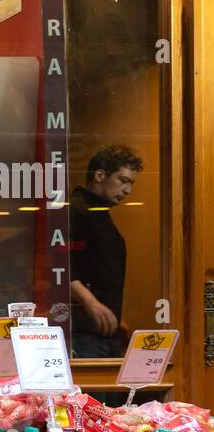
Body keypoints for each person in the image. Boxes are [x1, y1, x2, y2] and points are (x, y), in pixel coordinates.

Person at [68, 145, 140, 358]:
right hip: (85, 336)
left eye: (131, 183)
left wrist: (117, 318)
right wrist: (90, 302)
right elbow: (59, 265)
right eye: (123, 181)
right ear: (100, 175)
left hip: (104, 333)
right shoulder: (76, 210)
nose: (128, 191)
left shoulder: (100, 213)